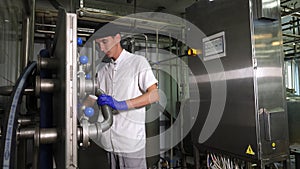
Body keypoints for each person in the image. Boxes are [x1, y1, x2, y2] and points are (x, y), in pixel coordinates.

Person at [94, 24, 159, 169]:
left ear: (117, 38)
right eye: (98, 44)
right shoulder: (103, 71)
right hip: (109, 141)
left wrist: (121, 104)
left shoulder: (138, 62)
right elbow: (94, 97)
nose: (102, 48)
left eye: (104, 42)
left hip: (131, 144)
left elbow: (154, 95)